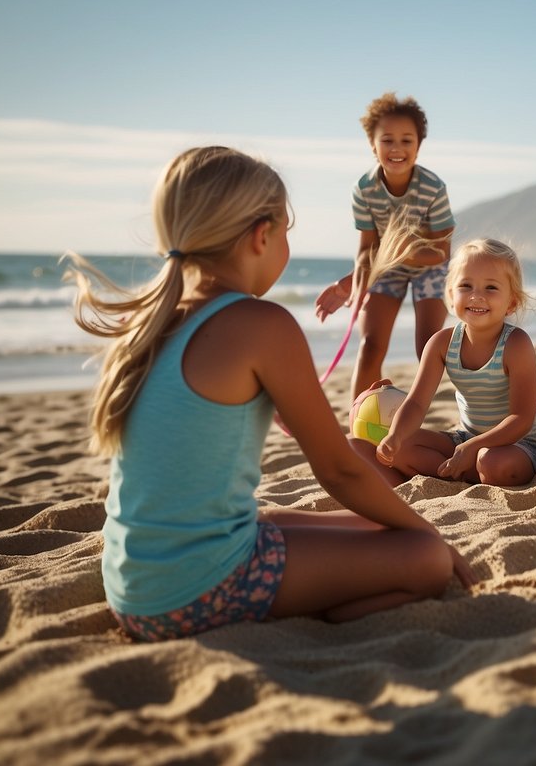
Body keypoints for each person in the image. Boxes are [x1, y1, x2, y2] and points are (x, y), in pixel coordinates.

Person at [64, 146, 474, 642]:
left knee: (336, 523)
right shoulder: (262, 325)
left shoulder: (153, 321)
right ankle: (328, 611)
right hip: (198, 592)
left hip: (133, 588)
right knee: (425, 558)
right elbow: (341, 470)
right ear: (262, 236)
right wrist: (431, 534)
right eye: (286, 232)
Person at [363, 239, 536, 487]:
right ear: (451, 296)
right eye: (466, 285)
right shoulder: (442, 343)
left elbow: (521, 419)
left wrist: (474, 447)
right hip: (466, 438)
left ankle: (468, 472)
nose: (476, 296)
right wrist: (395, 435)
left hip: (520, 445)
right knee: (401, 448)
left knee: (491, 462)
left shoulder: (516, 345)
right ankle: (463, 472)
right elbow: (416, 403)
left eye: (491, 288)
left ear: (512, 302)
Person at [315, 93, 455, 398]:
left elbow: (441, 252)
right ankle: (359, 427)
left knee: (428, 348)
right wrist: (352, 284)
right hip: (386, 266)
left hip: (428, 265)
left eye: (407, 140)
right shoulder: (364, 189)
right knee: (370, 347)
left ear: (419, 145)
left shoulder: (433, 187)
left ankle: (413, 420)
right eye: (387, 140)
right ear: (372, 144)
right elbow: (367, 249)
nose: (397, 149)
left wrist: (407, 252)